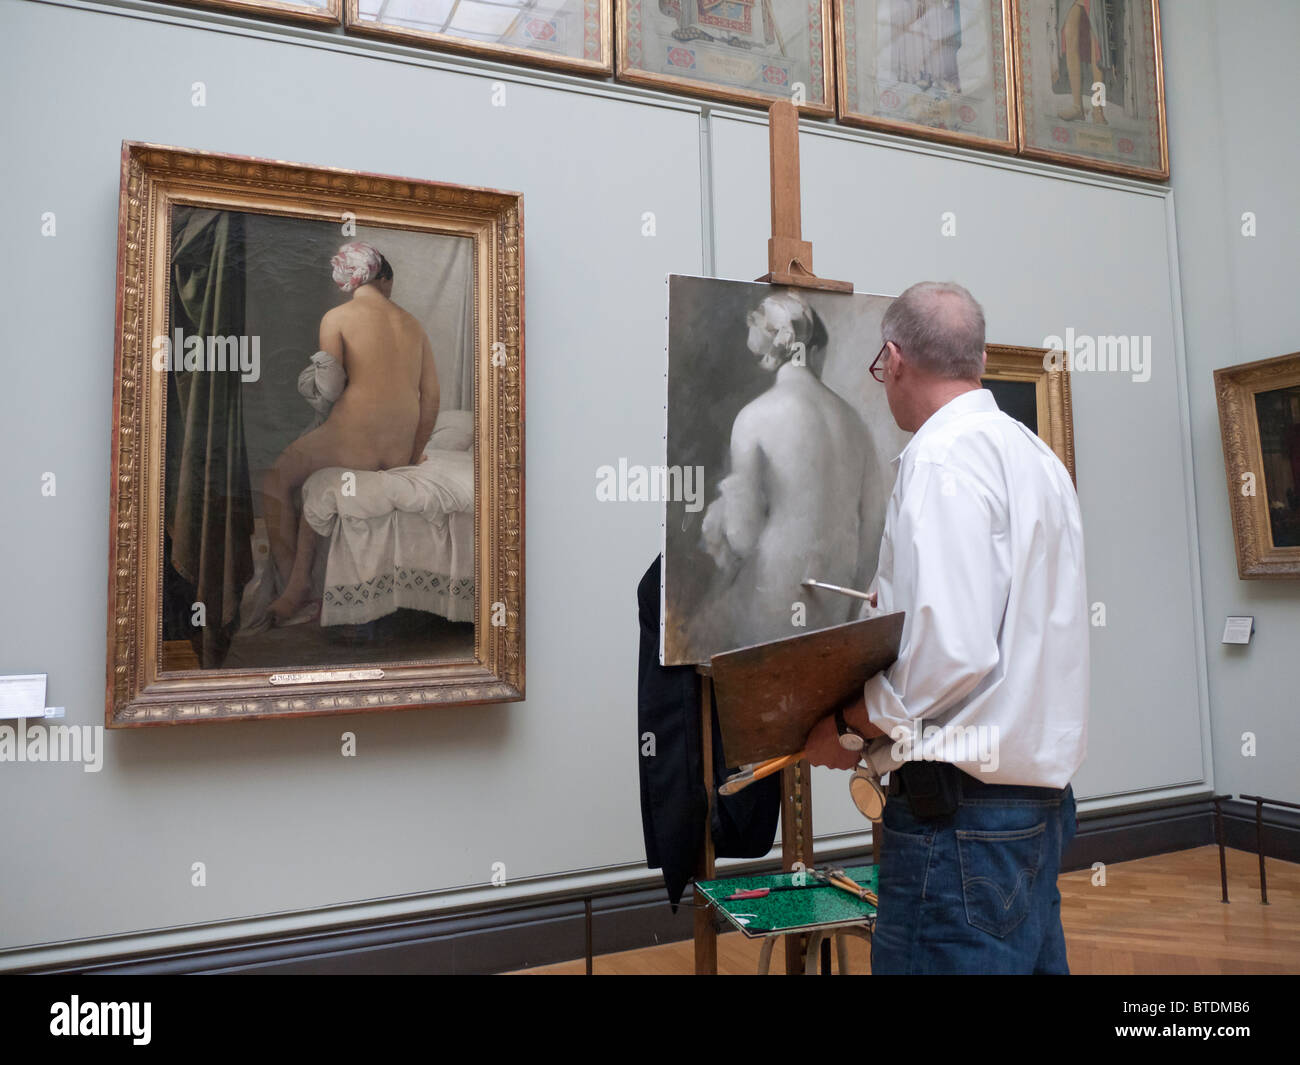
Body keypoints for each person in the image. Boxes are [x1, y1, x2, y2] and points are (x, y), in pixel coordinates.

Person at [804, 281, 1089, 974]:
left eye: (882, 369)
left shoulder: (940, 460)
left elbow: (952, 651)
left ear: (895, 360)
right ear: (981, 359)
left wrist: (850, 726)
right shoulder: (1037, 458)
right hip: (1037, 810)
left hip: (961, 822)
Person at [263, 241, 440, 623]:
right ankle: (301, 584)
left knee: (276, 480)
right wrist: (412, 454)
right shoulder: (414, 325)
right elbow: (431, 400)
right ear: (384, 278)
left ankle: (291, 589)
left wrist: (307, 383)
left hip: (349, 443)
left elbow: (329, 387)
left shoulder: (337, 317)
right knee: (317, 490)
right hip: (394, 453)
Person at [695, 291, 870, 652]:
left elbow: (742, 536)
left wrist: (719, 518)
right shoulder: (854, 421)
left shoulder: (754, 417)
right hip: (838, 597)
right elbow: (875, 520)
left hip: (776, 594)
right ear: (815, 349)